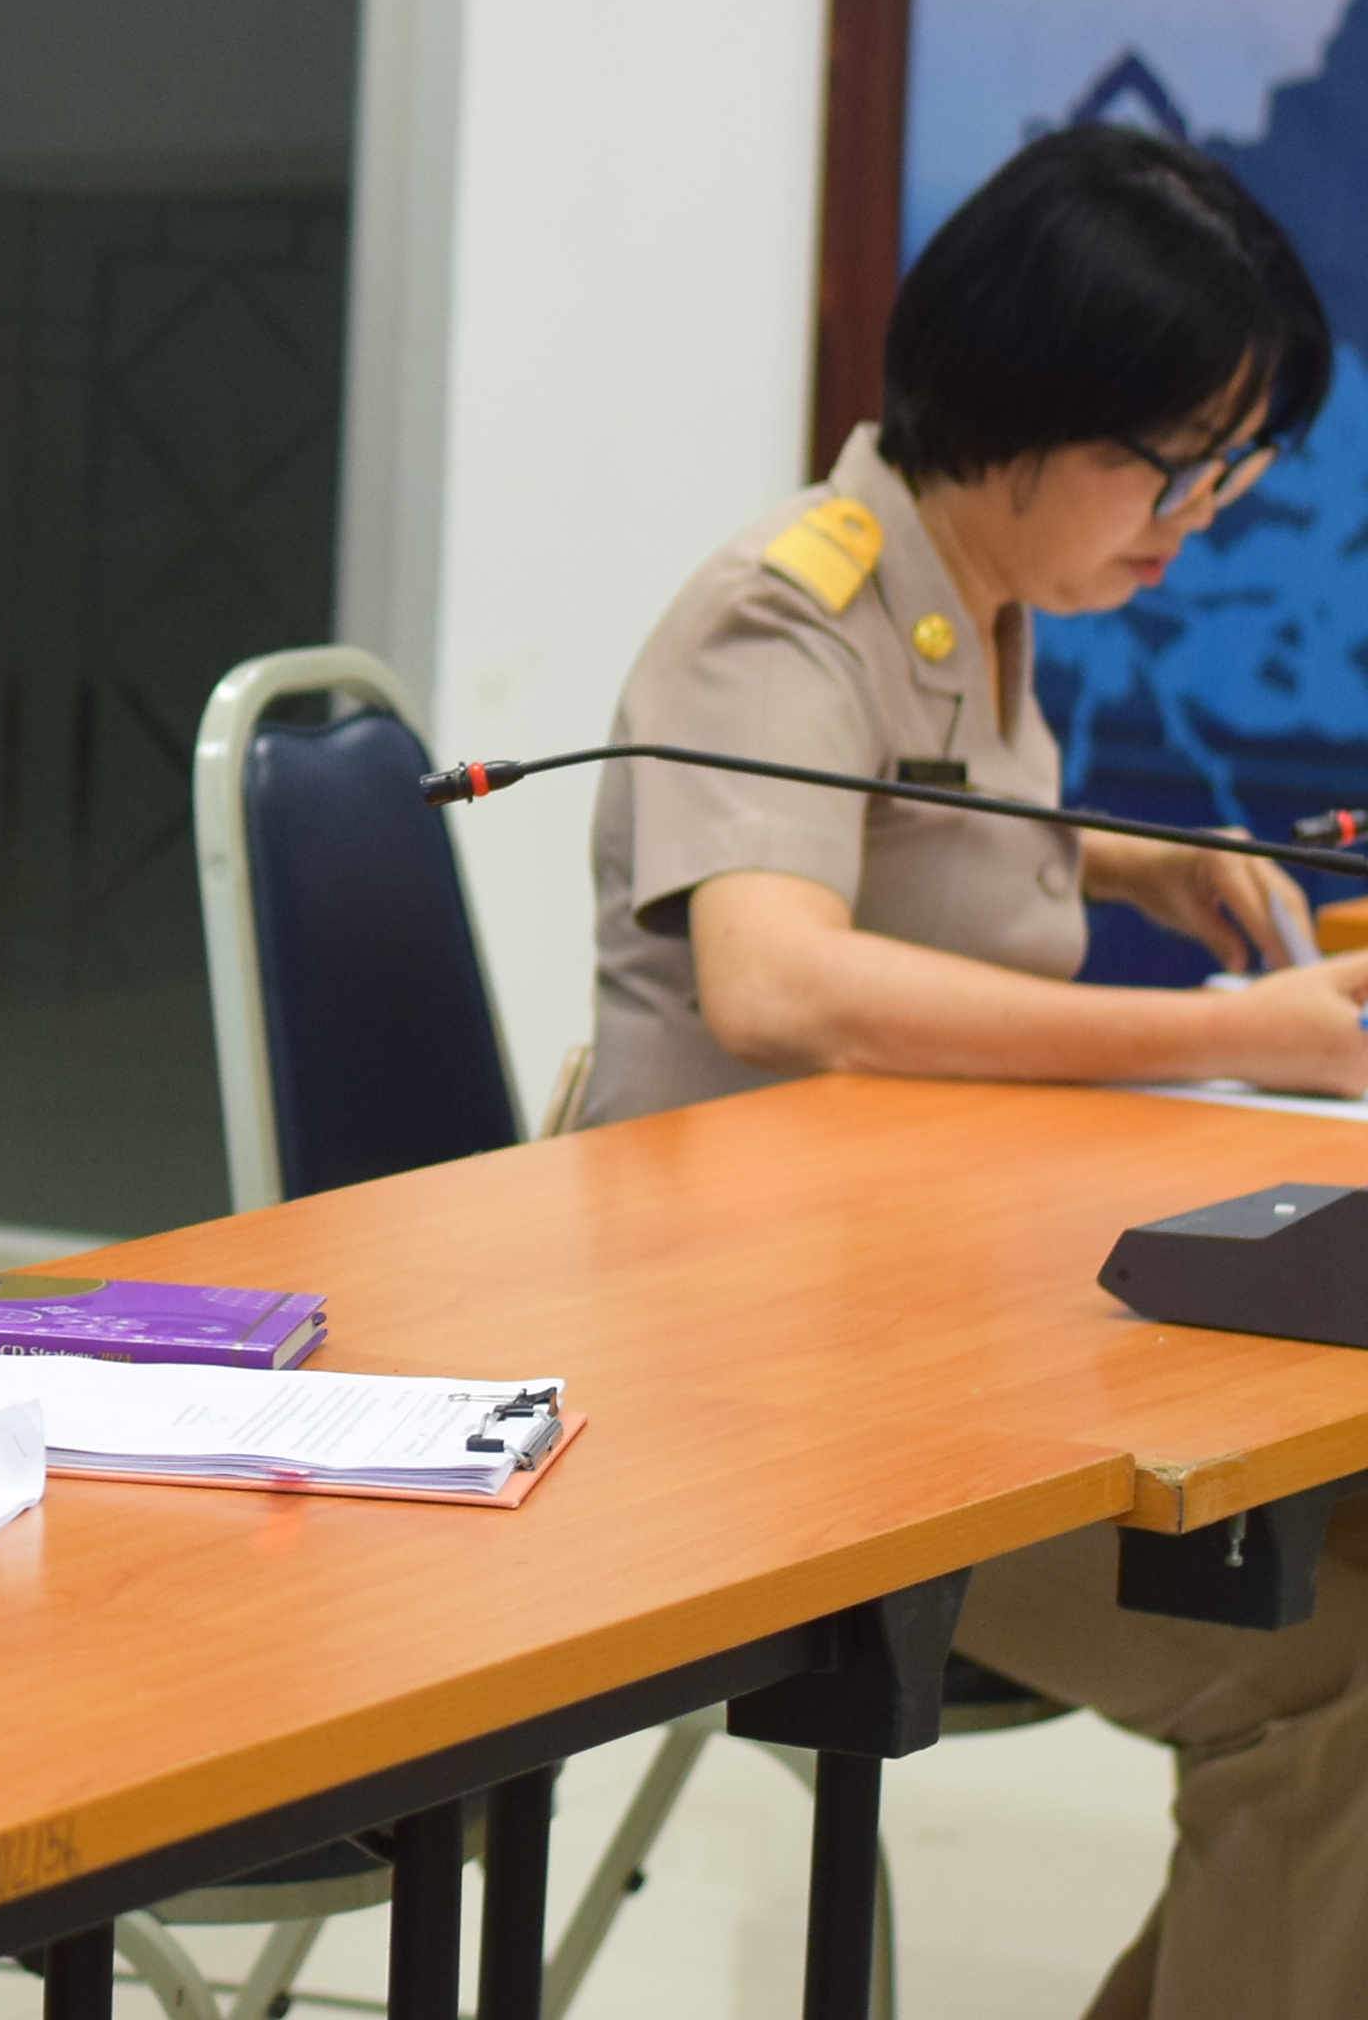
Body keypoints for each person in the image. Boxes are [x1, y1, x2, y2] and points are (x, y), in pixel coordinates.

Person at [580, 126, 1368, 2019]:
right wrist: (1222, 1036)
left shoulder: (975, 600)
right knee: (1329, 1688)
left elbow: (899, 842)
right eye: (1177, 463)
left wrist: (1109, 854)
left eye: (1233, 466)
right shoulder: (788, 605)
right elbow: (781, 980)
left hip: (936, 1337)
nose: (1201, 514)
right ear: (1024, 410)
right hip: (757, 1402)